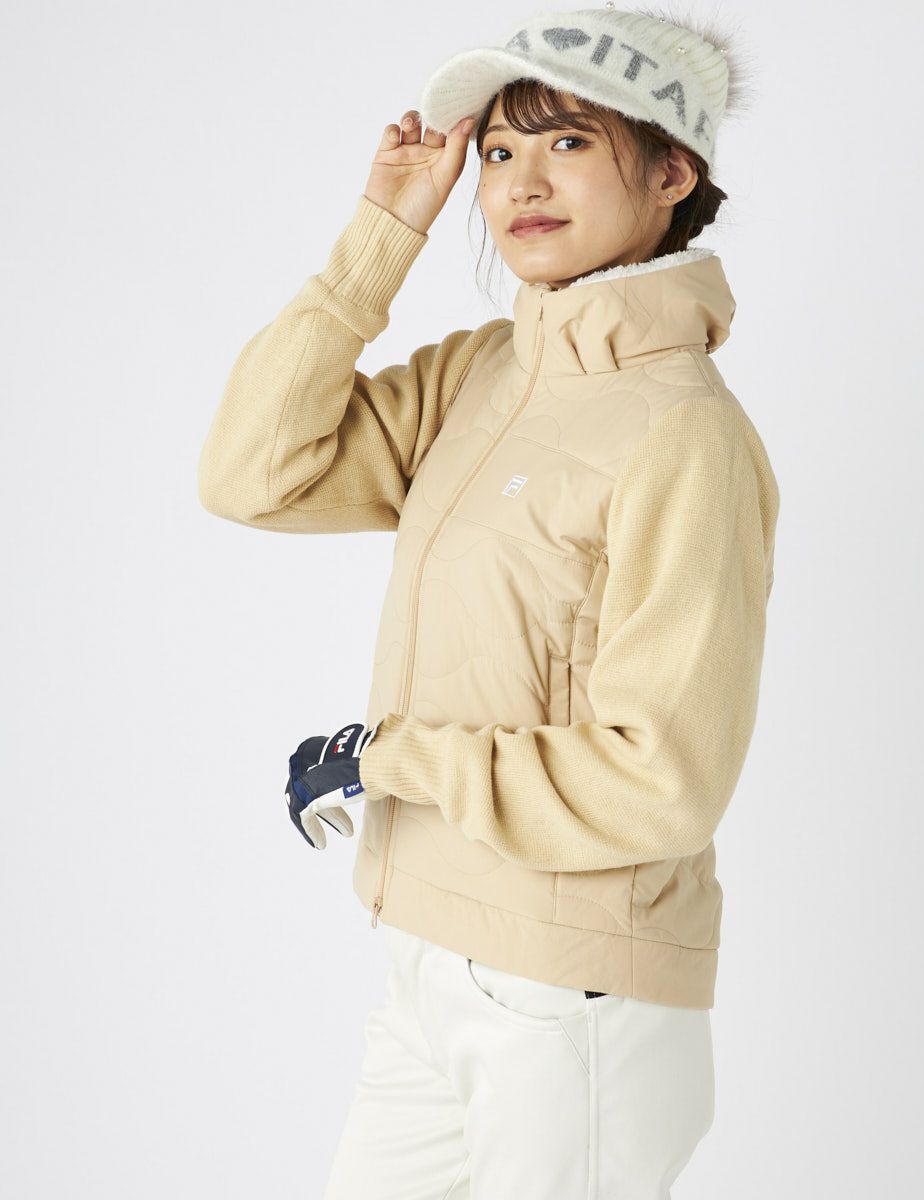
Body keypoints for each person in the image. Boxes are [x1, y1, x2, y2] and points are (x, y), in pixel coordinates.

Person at [197, 4, 780, 1196]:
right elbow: (253, 474)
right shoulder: (482, 373)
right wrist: (381, 236)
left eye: (568, 142)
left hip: (572, 995)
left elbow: (664, 778)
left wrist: (396, 758)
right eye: (501, 150)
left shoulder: (686, 434)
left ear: (672, 172)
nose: (520, 182)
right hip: (428, 953)